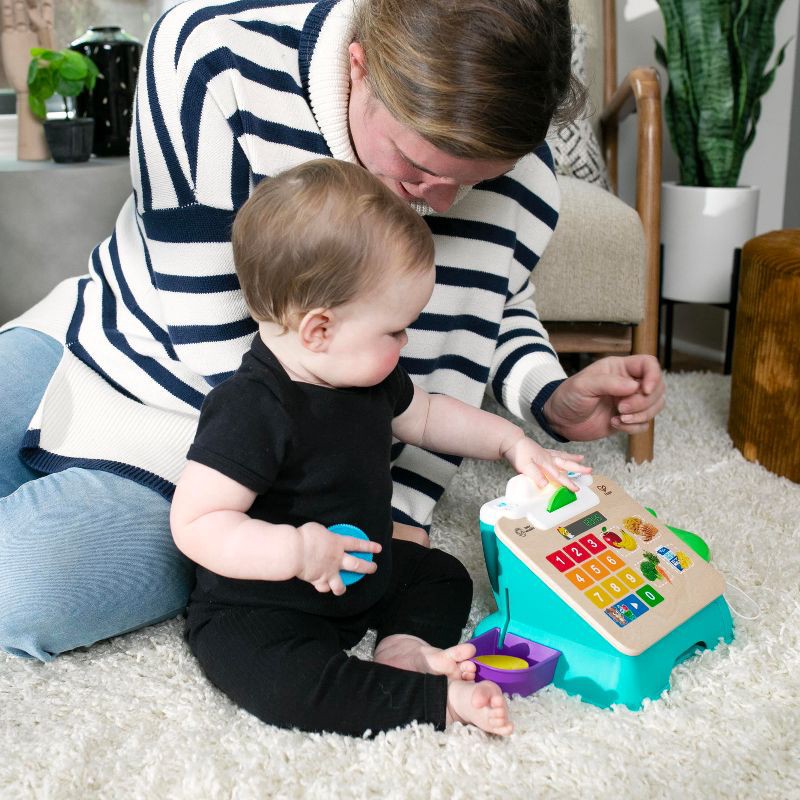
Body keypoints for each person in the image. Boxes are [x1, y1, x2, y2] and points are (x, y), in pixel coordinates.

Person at [0, 0, 664, 662]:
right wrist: (349, 488)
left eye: (474, 183)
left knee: (23, 586)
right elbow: (217, 341)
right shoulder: (213, 55)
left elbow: (497, 292)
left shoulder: (519, 166)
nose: (439, 204)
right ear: (360, 66)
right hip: (129, 352)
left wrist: (548, 394)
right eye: (415, 166)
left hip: (266, 468)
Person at [172, 158, 592, 736]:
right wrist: (295, 551)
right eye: (394, 330)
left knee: (442, 575)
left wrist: (510, 441)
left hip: (363, 568)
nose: (406, 340)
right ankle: (429, 701)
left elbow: (429, 415)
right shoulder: (251, 408)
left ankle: (404, 647)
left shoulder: (369, 377)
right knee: (287, 687)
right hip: (265, 603)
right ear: (320, 330)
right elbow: (196, 523)